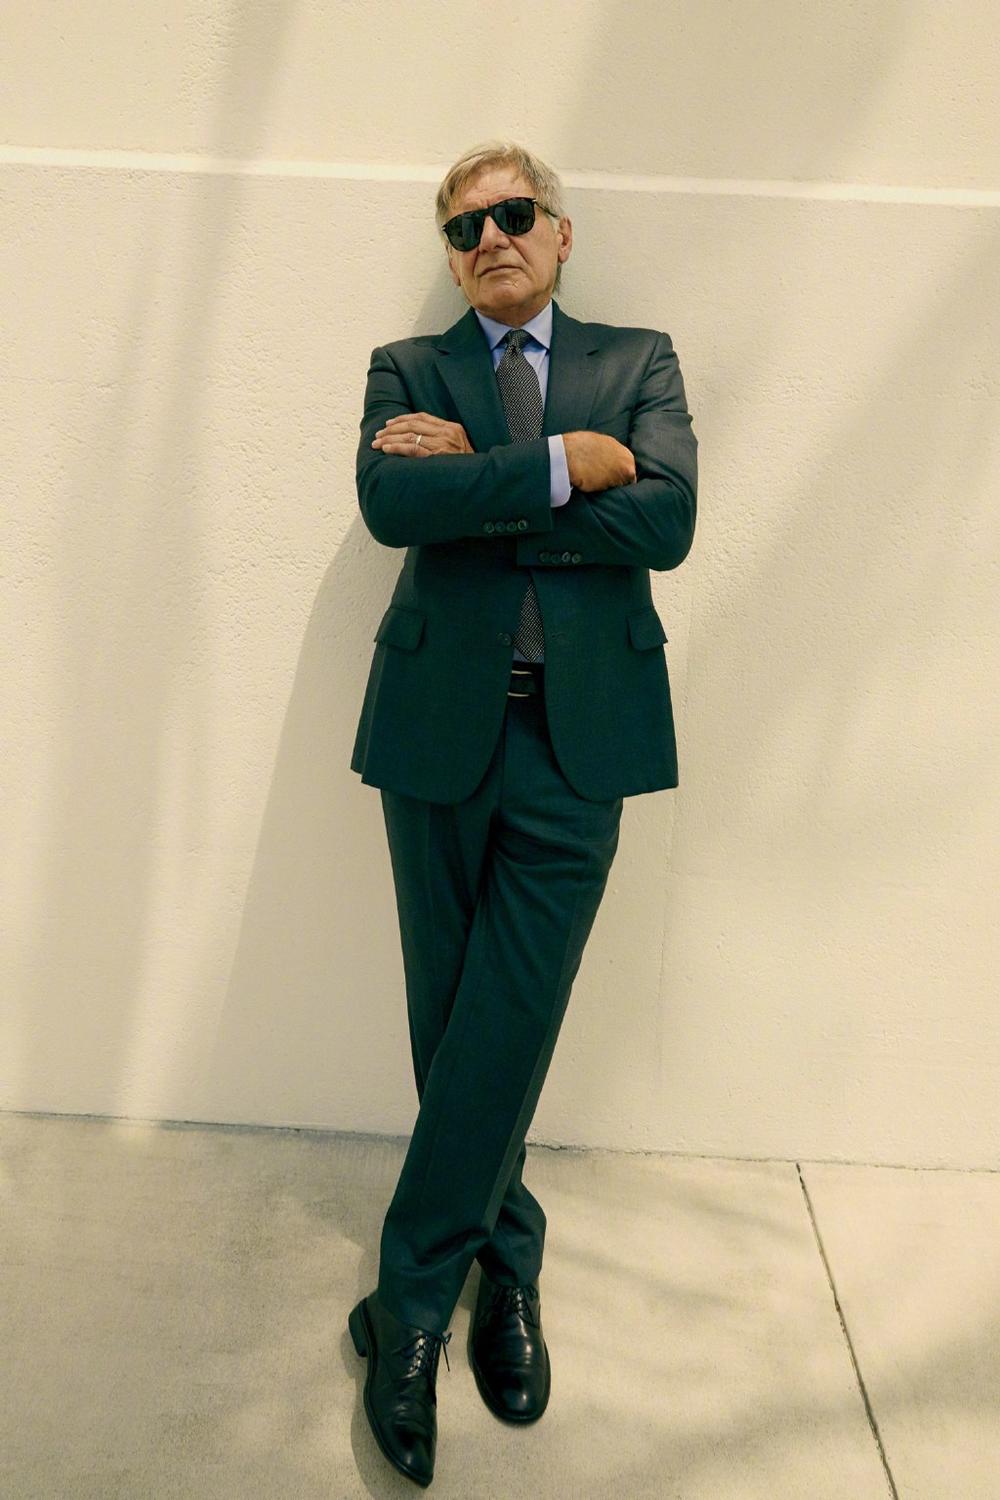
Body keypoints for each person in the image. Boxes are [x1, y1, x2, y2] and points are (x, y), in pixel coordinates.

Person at [347, 139, 698, 1487]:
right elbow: (393, 504)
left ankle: (409, 1311)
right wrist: (570, 465)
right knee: (453, 1019)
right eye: (463, 227)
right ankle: (510, 1264)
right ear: (451, 259)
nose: (489, 237)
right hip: (437, 731)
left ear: (560, 231)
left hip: (579, 740)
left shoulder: (640, 360)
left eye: (512, 213)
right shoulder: (406, 369)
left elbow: (667, 525)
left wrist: (487, 480)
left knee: (512, 1011)